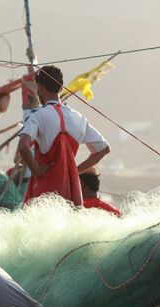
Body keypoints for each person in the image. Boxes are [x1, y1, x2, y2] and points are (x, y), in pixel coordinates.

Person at [17, 65, 110, 206]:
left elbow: (23, 146)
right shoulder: (79, 118)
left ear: (40, 88)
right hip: (70, 189)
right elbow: (103, 149)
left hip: (44, 191)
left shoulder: (38, 116)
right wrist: (74, 170)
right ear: (61, 89)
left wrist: (37, 172)